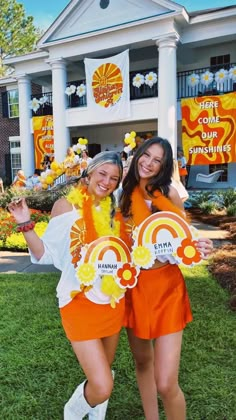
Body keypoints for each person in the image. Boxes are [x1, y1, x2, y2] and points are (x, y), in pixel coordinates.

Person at [8, 151, 130, 420]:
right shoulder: (66, 206)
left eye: (114, 178)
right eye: (102, 174)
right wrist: (25, 223)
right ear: (88, 174)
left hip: (111, 300)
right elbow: (45, 254)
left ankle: (97, 416)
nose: (108, 181)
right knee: (101, 384)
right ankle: (73, 412)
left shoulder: (114, 211)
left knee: (105, 370)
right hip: (78, 301)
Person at [119, 137, 213, 420]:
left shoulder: (169, 193)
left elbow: (187, 238)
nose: (148, 162)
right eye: (145, 155)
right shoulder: (122, 194)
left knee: (166, 382)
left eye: (156, 159)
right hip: (134, 288)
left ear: (163, 166)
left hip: (167, 289)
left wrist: (201, 246)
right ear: (137, 156)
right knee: (143, 362)